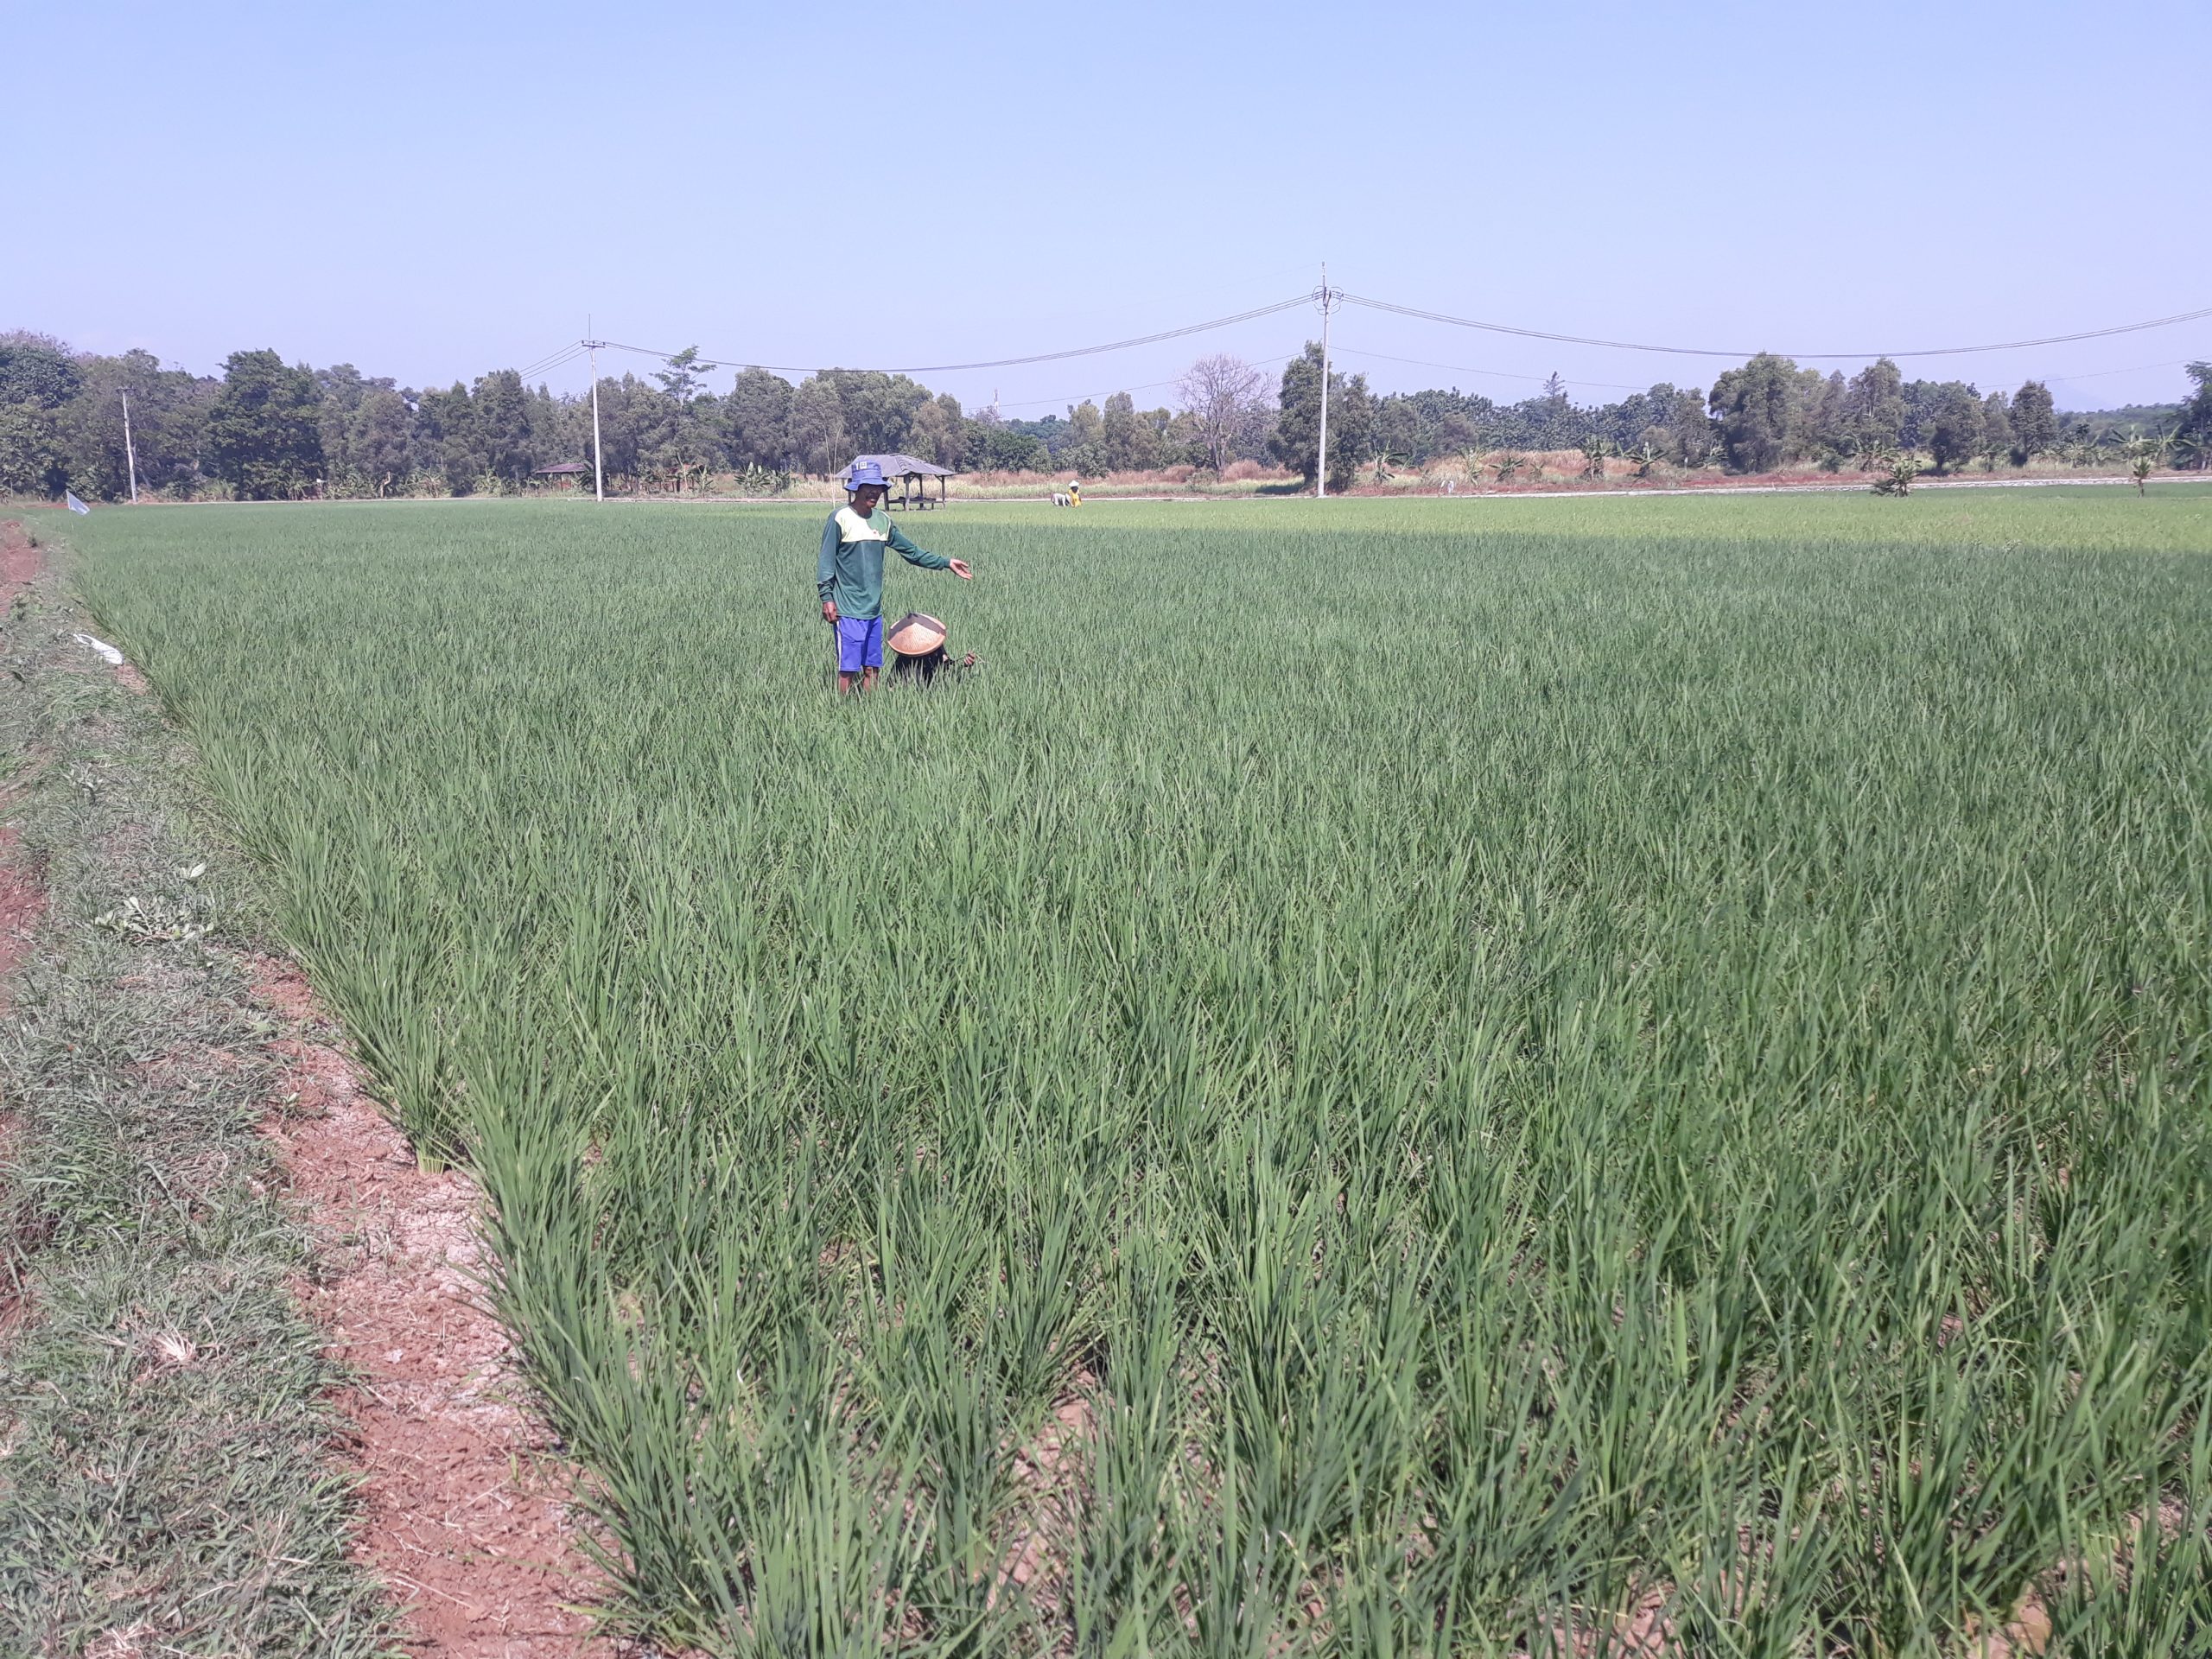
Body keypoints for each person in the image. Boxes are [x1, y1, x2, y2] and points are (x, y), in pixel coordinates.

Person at [818, 461, 971, 693]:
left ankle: (870, 710)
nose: (875, 492)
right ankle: (842, 710)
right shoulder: (840, 518)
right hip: (847, 609)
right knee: (848, 669)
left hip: (873, 611)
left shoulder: (883, 522)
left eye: (878, 487)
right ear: (856, 488)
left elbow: (912, 553)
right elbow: (826, 561)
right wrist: (826, 597)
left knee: (872, 668)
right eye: (868, 486)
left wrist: (946, 563)